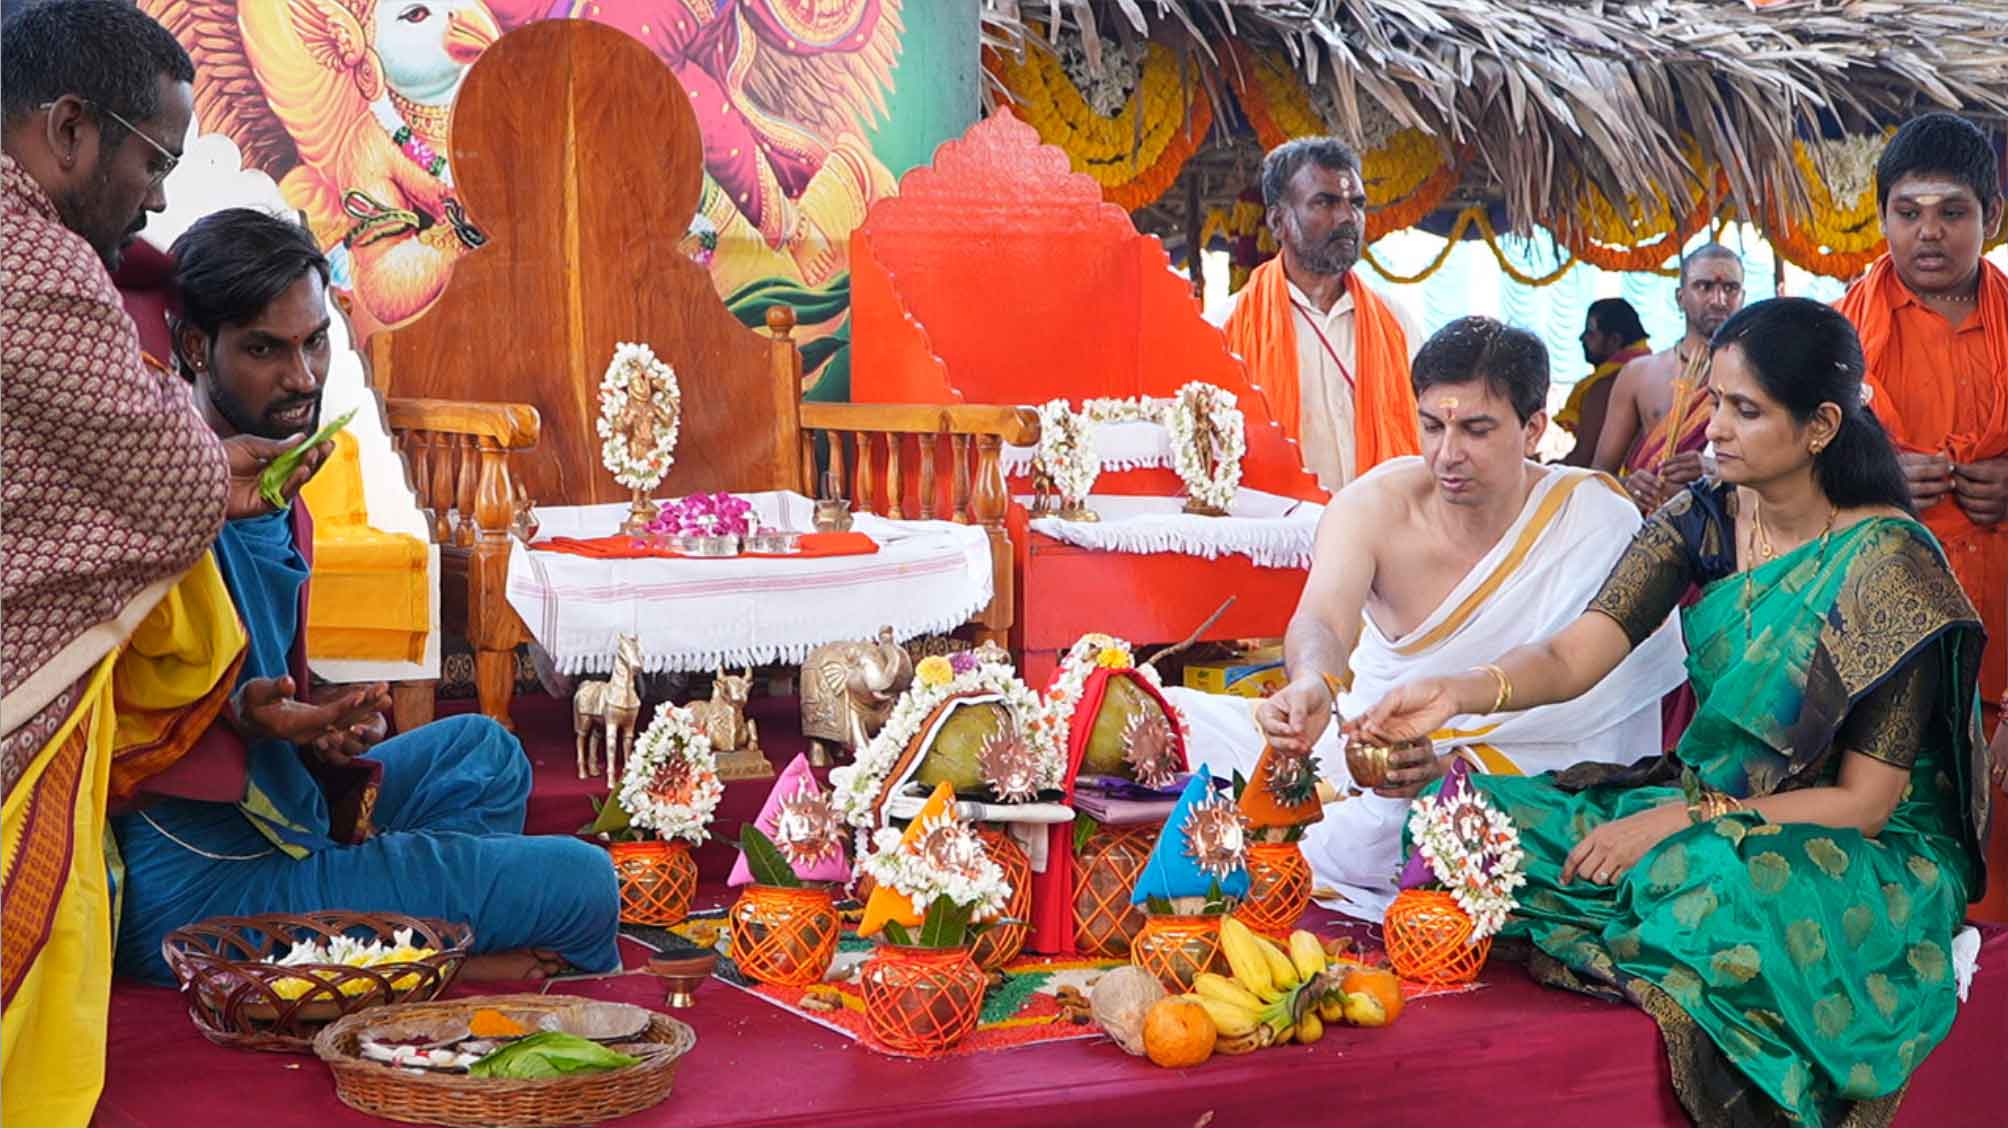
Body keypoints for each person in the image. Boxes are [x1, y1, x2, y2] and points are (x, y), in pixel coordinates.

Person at [1358, 297, 1992, 1127]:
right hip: (1703, 804)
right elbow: (1574, 650)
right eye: (1714, 403)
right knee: (1468, 822)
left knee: (1704, 882)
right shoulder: (1704, 517)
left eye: (1743, 410)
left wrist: (1680, 823)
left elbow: (1863, 804)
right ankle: (1647, 907)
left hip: (1852, 848)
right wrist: (1457, 690)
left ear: (1820, 426)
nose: (1712, 431)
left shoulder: (1889, 567)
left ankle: (1652, 914)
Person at [107, 208, 624, 989]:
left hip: (285, 813)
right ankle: (427, 962)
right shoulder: (160, 496)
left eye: (314, 341)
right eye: (264, 349)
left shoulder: (283, 493)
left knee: (485, 756)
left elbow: (267, 700)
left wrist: (319, 733)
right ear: (192, 348)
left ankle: (409, 963)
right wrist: (249, 719)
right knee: (582, 884)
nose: (303, 376)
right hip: (209, 888)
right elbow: (129, 704)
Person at [0, 5, 325, 1123]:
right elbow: (166, 479)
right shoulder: (33, 259)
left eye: (312, 345)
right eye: (156, 161)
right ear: (72, 128)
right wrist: (207, 470)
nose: (156, 197)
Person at [1167, 317, 1687, 916]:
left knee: (1442, 823)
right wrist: (1312, 680)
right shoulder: (1373, 505)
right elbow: (1324, 621)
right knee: (1178, 724)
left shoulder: (1593, 517)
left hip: (1518, 779)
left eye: (1476, 429)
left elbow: (1607, 720)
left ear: (1534, 427)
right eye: (1432, 426)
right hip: (1366, 748)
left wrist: (1455, 765)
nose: (1447, 453)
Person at [1838, 112, 2008, 919]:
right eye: (1908, 212)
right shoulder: (1830, 341)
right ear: (1880, 218)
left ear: (1992, 217)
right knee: (1890, 882)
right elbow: (1764, 474)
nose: (1929, 233)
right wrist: (1870, 474)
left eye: (1952, 211)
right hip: (1882, 649)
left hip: (2002, 641)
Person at [1220, 137, 1423, 492]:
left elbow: (1431, 430)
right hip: (1273, 537)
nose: (1347, 217)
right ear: (1278, 220)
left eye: (1355, 203)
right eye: (1325, 202)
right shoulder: (1226, 327)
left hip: (1380, 536)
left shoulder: (1396, 323)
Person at [1593, 244, 1746, 511]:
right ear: (1680, 297)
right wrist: (1628, 487)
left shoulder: (1757, 376)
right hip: (1649, 531)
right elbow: (1599, 475)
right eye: (1704, 286)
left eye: (1730, 288)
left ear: (1742, 297)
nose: (1718, 299)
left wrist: (1716, 470)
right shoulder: (1639, 374)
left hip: (1725, 532)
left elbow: (1778, 471)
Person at [1557, 297, 1651, 466]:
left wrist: (1542, 472)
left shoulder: (1606, 385)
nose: (1582, 338)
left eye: (1590, 333)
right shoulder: (1652, 372)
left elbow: (1584, 460)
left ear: (1614, 340)